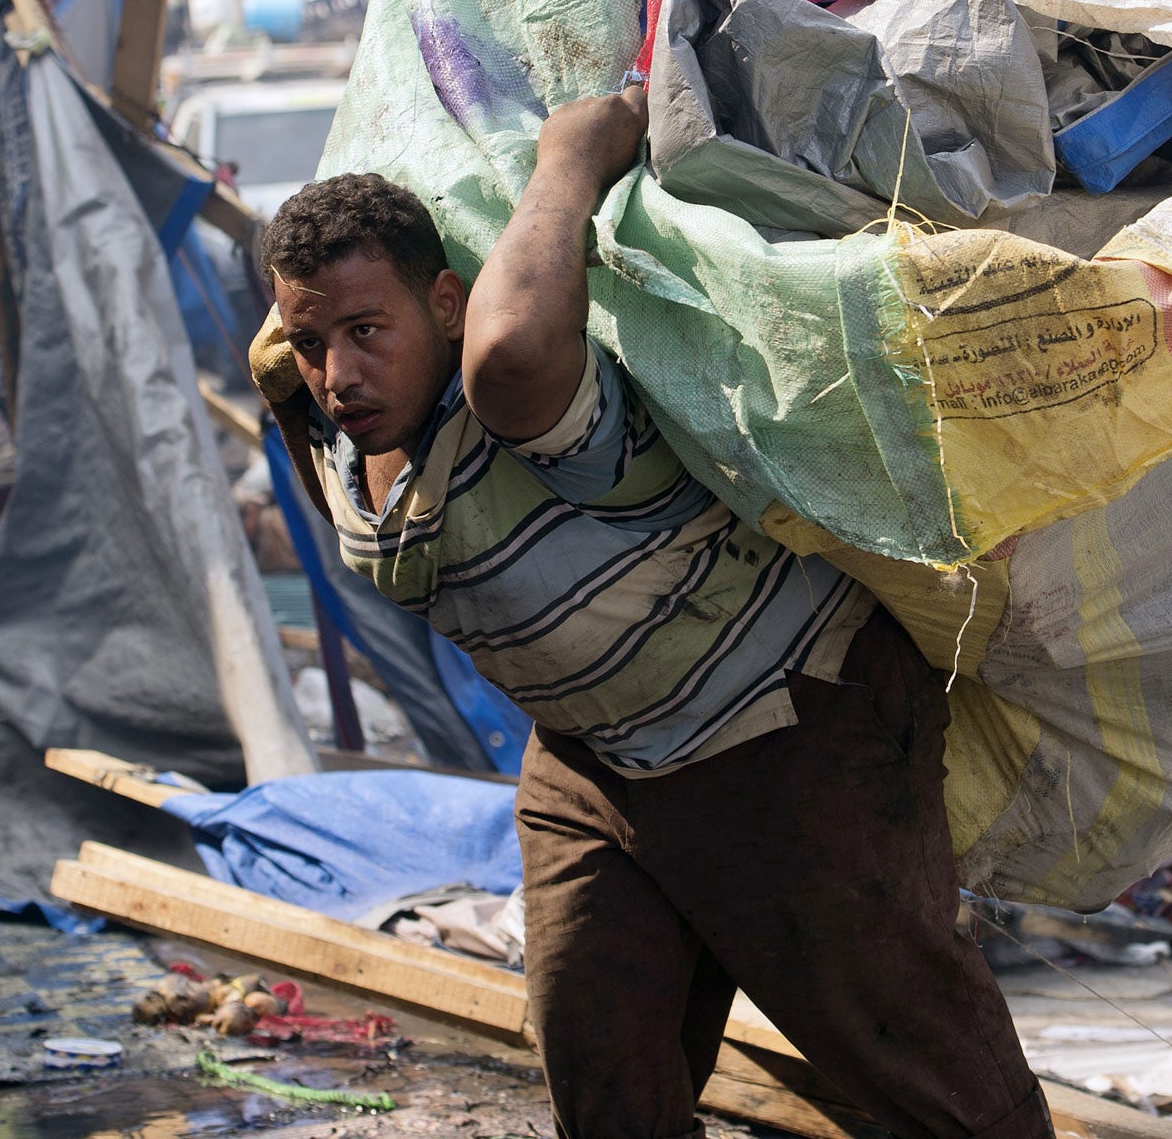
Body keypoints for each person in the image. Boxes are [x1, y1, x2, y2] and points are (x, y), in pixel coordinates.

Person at [257, 84, 1055, 1139]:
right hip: (592, 762)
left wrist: (571, 158)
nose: (339, 374)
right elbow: (298, 348)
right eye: (315, 343)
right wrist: (305, 339)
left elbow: (511, 346)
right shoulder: (321, 419)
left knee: (931, 1087)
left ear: (449, 304)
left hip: (782, 729)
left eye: (369, 331)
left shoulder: (527, 408)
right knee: (604, 1085)